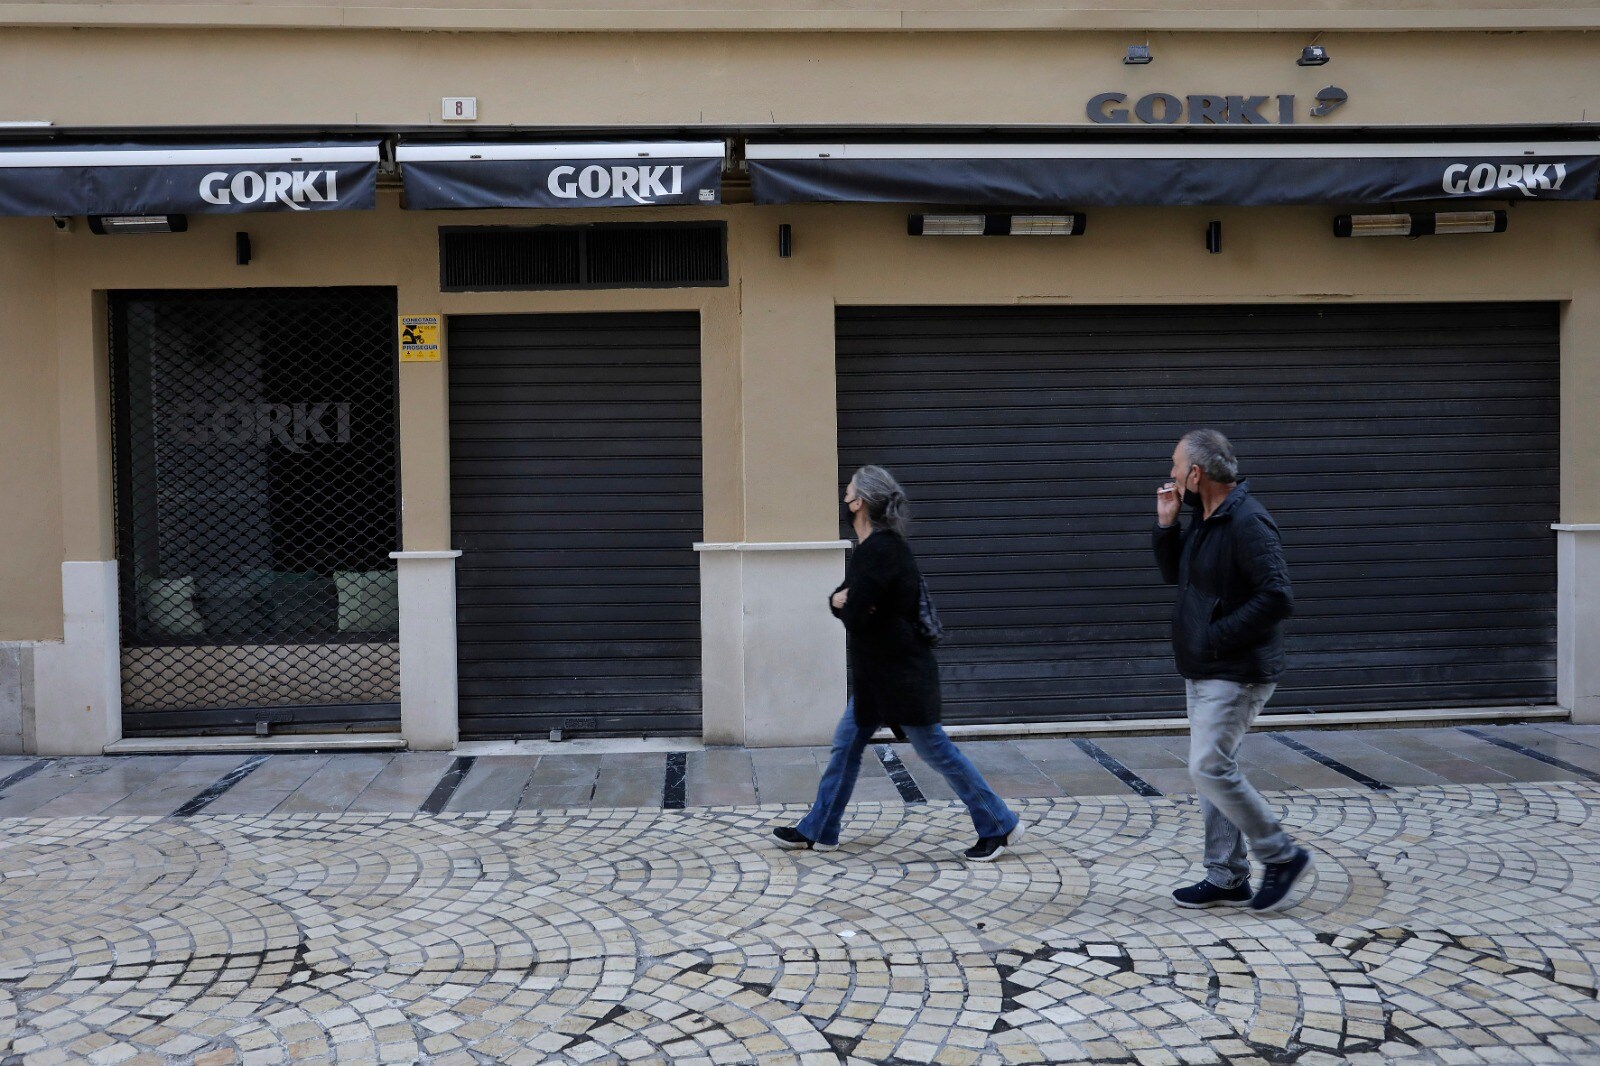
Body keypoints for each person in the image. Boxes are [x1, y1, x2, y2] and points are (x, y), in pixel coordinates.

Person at [773, 465, 1025, 861]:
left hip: (902, 678)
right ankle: (820, 828)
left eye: (848, 493)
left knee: (937, 752)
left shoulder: (882, 550)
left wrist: (845, 603)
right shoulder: (873, 550)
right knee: (845, 746)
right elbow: (848, 599)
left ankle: (999, 823)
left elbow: (853, 610)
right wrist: (845, 601)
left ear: (861, 503)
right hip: (878, 678)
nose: (843, 498)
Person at [1154, 429, 1313, 913]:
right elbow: (1172, 575)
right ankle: (1225, 876)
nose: (1172, 475)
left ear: (1197, 474)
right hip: (1205, 666)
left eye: (1177, 467)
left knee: (1208, 766)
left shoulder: (1248, 521)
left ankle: (1280, 855)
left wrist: (1217, 635)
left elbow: (1277, 597)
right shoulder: (1205, 516)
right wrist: (1167, 525)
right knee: (1212, 771)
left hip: (1237, 669)